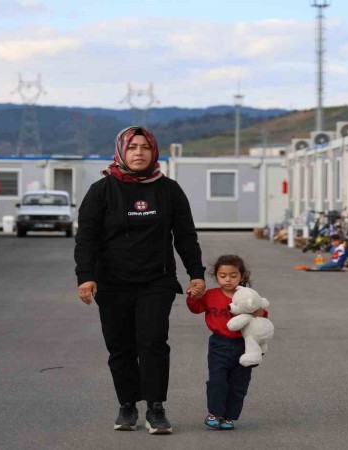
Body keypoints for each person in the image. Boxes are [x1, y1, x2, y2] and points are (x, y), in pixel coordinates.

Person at [74, 125, 206, 435]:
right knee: (120, 347)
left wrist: (196, 274)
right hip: (112, 283)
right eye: (132, 147)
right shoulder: (101, 190)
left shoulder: (169, 190)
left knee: (153, 343)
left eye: (145, 147)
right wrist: (86, 277)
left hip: (155, 281)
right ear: (121, 151)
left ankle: (156, 408)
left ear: (154, 152)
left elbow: (185, 236)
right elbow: (87, 239)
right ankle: (127, 405)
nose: (138, 152)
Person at [186, 255, 268, 431]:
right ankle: (215, 413)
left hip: (244, 345)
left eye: (233, 275)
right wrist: (193, 296)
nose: (228, 280)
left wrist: (259, 313)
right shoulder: (211, 295)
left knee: (239, 384)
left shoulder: (247, 296)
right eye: (223, 276)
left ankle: (229, 417)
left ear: (242, 276)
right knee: (217, 381)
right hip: (218, 344)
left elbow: (262, 314)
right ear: (216, 276)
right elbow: (195, 308)